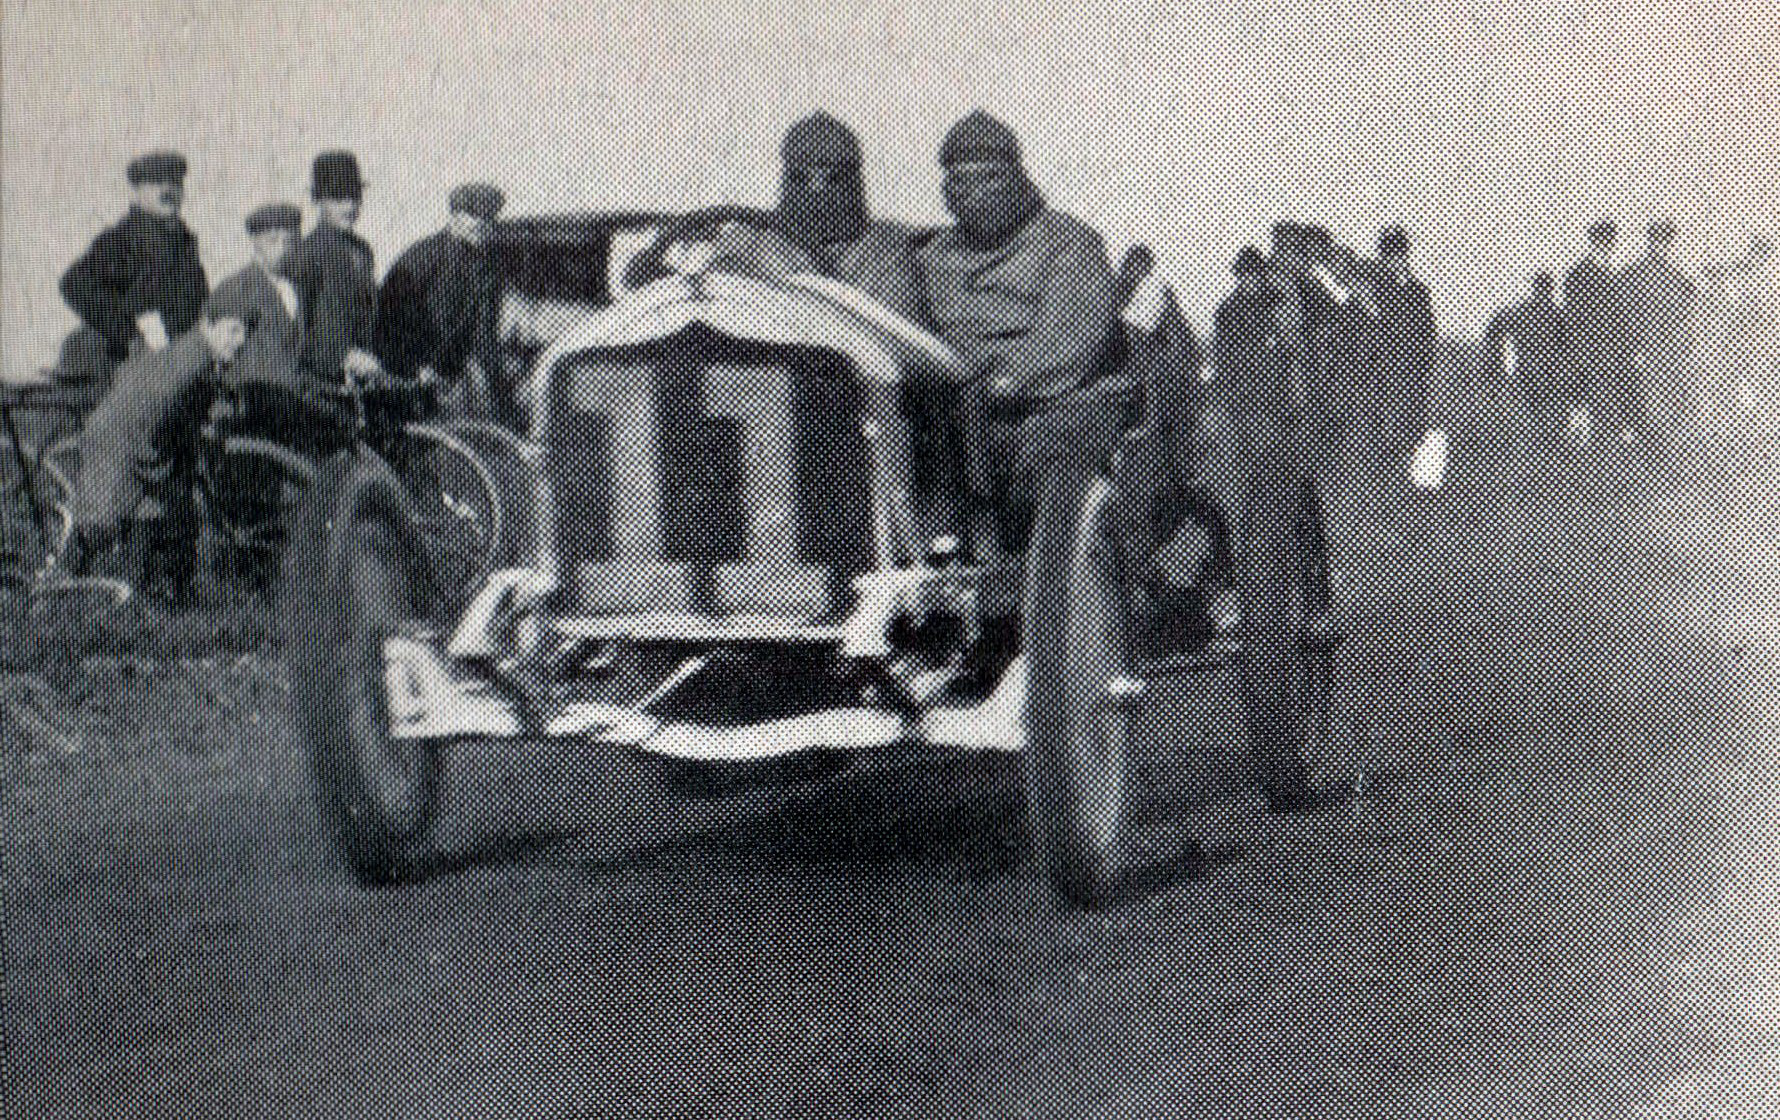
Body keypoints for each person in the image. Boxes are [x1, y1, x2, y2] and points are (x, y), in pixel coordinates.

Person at [915, 110, 1120, 555]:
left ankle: (1040, 573)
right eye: (960, 181)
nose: (974, 193)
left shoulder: (1068, 242)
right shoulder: (930, 259)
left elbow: (1068, 340)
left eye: (989, 177)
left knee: (1056, 454)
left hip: (1045, 411)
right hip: (951, 414)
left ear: (1017, 176)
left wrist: (1003, 380)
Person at [623, 113, 926, 323]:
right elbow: (712, 310)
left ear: (854, 181)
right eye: (800, 178)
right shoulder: (748, 240)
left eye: (833, 178)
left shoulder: (886, 247)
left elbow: (899, 340)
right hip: (762, 377)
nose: (815, 193)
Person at [61, 290, 255, 603]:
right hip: (121, 440)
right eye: (233, 330)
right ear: (208, 324)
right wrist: (157, 468)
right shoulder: (191, 359)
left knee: (150, 515)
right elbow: (149, 413)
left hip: (139, 441)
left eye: (246, 332)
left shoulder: (199, 353)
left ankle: (135, 597)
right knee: (101, 524)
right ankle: (55, 591)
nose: (241, 340)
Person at [57, 151, 210, 402]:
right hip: (127, 366)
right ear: (137, 191)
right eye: (156, 183)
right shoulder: (122, 238)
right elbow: (75, 285)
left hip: (175, 361)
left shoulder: (181, 240)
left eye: (175, 183)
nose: (168, 190)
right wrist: (130, 334)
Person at [375, 182, 508, 423]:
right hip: (406, 380)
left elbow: (484, 334)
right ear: (455, 216)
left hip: (452, 385)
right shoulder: (423, 256)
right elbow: (388, 319)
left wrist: (498, 388)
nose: (482, 224)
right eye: (474, 216)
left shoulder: (488, 267)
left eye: (489, 218)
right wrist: (415, 368)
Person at [286, 151, 382, 387]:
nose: (350, 207)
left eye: (355, 197)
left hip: (360, 378)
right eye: (338, 199)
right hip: (317, 381)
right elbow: (295, 328)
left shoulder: (362, 250)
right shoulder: (307, 252)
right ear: (317, 201)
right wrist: (340, 357)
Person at [1616, 221, 1699, 460]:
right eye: (1658, 241)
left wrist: (1685, 346)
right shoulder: (1632, 275)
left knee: (1673, 400)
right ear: (1650, 242)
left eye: (1666, 242)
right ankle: (1652, 453)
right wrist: (1634, 349)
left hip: (1672, 352)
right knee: (1649, 401)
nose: (1661, 246)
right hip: (1646, 352)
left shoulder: (1676, 276)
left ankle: (1668, 452)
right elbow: (1625, 317)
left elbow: (1688, 311)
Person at [1368, 226, 1437, 466]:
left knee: (1413, 415)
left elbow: (1428, 330)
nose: (1393, 262)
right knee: (1384, 415)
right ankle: (1387, 461)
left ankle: (1408, 460)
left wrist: (1425, 361)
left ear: (1405, 256)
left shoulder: (1418, 290)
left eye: (1397, 255)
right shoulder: (1375, 291)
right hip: (1384, 366)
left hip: (1412, 367)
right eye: (1388, 256)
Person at [1563, 219, 1630, 446]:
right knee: (1591, 394)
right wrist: (1578, 350)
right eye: (1602, 241)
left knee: (1611, 393)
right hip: (1589, 348)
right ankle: (1592, 440)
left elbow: (1620, 317)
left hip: (1611, 349)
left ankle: (1608, 439)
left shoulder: (1613, 275)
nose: (1607, 246)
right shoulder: (1579, 274)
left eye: (1610, 242)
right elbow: (1573, 317)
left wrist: (1624, 347)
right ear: (1594, 242)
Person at [1483, 272, 1569, 441]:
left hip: (1531, 371)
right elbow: (1495, 326)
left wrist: (1495, 362)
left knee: (1536, 419)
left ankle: (1542, 443)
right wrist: (1496, 363)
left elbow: (1495, 326)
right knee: (1546, 419)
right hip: (1543, 373)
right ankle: (1546, 443)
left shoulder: (1525, 312)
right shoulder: (1556, 315)